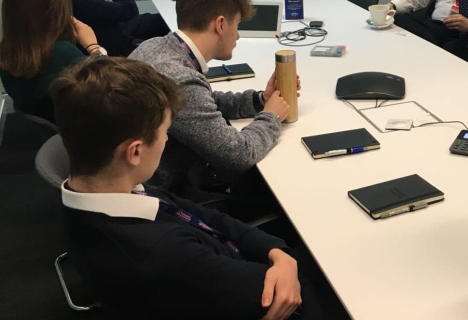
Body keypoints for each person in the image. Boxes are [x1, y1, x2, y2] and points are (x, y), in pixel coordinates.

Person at [55, 57, 346, 319]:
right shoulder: (162, 255)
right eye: (164, 133)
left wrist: (278, 253)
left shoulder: (105, 192)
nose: (166, 140)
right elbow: (276, 296)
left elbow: (207, 217)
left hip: (227, 271)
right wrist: (287, 262)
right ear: (134, 152)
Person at [130, 0, 293, 194]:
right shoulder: (179, 78)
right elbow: (238, 155)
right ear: (221, 24)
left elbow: (201, 103)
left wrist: (260, 100)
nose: (237, 36)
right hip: (168, 191)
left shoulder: (155, 46)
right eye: (237, 25)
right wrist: (271, 116)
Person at [0, 0, 105, 122]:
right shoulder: (62, 53)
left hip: (45, 132)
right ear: (58, 8)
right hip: (81, 134)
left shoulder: (7, 51)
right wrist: (94, 48)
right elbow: (111, 94)